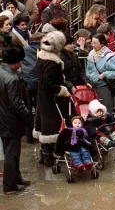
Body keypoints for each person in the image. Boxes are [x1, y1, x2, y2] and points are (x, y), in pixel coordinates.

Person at [33, 31, 71, 167]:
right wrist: (61, 90)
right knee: (51, 127)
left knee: (44, 126)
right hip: (51, 99)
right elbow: (48, 83)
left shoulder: (42, 57)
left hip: (43, 97)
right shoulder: (51, 62)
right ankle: (49, 158)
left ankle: (44, 156)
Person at [0, 46, 33, 193]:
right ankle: (9, 185)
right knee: (11, 153)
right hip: (11, 121)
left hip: (4, 118)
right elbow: (16, 104)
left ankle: (16, 178)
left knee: (12, 152)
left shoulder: (3, 72)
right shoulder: (12, 79)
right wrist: (27, 117)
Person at [86, 33, 115, 113]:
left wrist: (105, 74)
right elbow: (88, 69)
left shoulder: (109, 56)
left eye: (95, 43)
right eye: (92, 42)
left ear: (102, 44)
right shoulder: (91, 54)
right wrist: (88, 80)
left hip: (104, 87)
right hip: (92, 86)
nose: (93, 45)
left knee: (105, 111)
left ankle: (108, 125)